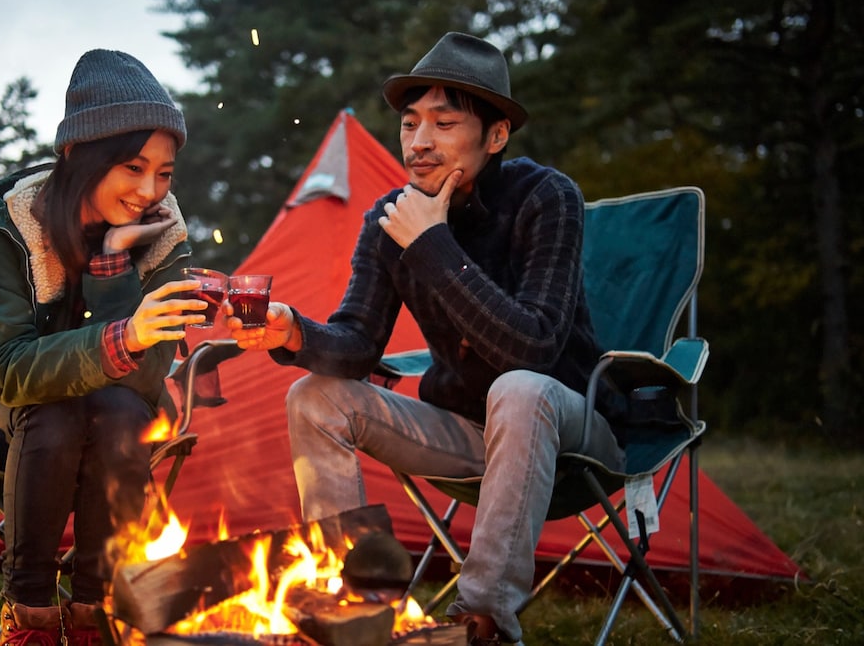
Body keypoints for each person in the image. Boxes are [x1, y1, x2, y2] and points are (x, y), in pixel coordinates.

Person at [226, 32, 628, 646]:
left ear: (495, 136)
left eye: (444, 123)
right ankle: (354, 605)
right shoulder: (390, 218)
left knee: (519, 389)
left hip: (567, 428)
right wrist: (292, 330)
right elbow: (358, 346)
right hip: (464, 431)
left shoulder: (546, 197)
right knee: (314, 395)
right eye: (410, 124)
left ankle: (482, 622)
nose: (419, 142)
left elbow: (534, 347)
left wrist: (432, 244)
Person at [0, 49, 208, 644]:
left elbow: (144, 379)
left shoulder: (162, 235)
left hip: (116, 419)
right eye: (133, 167)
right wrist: (124, 332)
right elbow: (8, 372)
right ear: (79, 156)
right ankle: (30, 614)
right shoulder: (7, 231)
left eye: (164, 173)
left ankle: (93, 613)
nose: (149, 190)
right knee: (59, 411)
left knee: (114, 412)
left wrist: (113, 263)